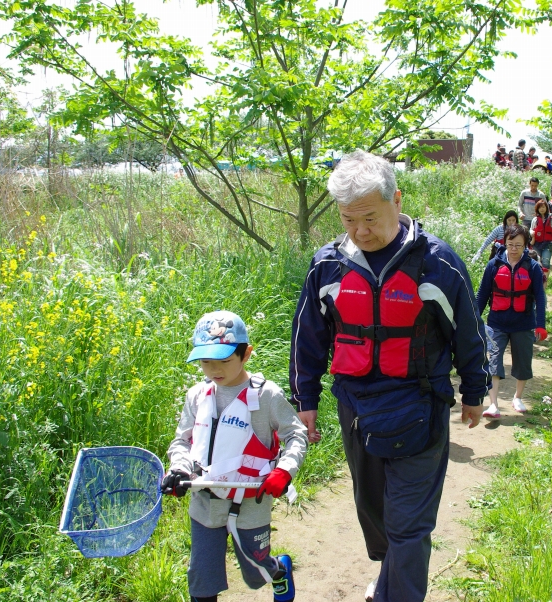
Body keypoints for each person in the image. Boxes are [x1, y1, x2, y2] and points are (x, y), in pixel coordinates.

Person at [288, 150, 489, 602]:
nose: (360, 231)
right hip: (356, 409)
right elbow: (308, 339)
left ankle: (394, 592)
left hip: (421, 404)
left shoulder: (438, 263)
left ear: (397, 200)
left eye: (371, 218)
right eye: (347, 220)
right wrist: (306, 401)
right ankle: (391, 573)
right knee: (373, 510)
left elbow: (469, 331)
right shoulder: (328, 266)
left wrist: (475, 390)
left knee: (409, 524)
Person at [163, 311, 308, 602]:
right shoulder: (197, 396)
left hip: (250, 501)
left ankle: (278, 570)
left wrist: (285, 471)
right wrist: (178, 469)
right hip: (205, 503)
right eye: (206, 362)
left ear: (246, 354)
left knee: (256, 574)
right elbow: (181, 441)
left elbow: (297, 435)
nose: (214, 370)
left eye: (224, 361)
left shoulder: (266, 396)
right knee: (201, 581)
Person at [475, 225, 547, 418]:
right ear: (504, 243)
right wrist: (473, 319)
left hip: (523, 323)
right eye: (510, 244)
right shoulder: (494, 265)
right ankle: (493, 405)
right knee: (494, 363)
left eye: (518, 245)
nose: (514, 249)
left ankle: (518, 397)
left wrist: (541, 324)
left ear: (526, 246)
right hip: (497, 322)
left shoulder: (532, 268)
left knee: (523, 362)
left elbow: (540, 297)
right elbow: (482, 295)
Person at [529, 199, 552, 269]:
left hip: (548, 244)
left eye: (543, 207)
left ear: (546, 208)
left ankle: (545, 279)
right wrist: (531, 232)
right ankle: (539, 278)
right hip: (537, 244)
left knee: (545, 263)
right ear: (537, 209)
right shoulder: (535, 220)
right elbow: (531, 229)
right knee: (536, 262)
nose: (542, 209)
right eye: (540, 207)